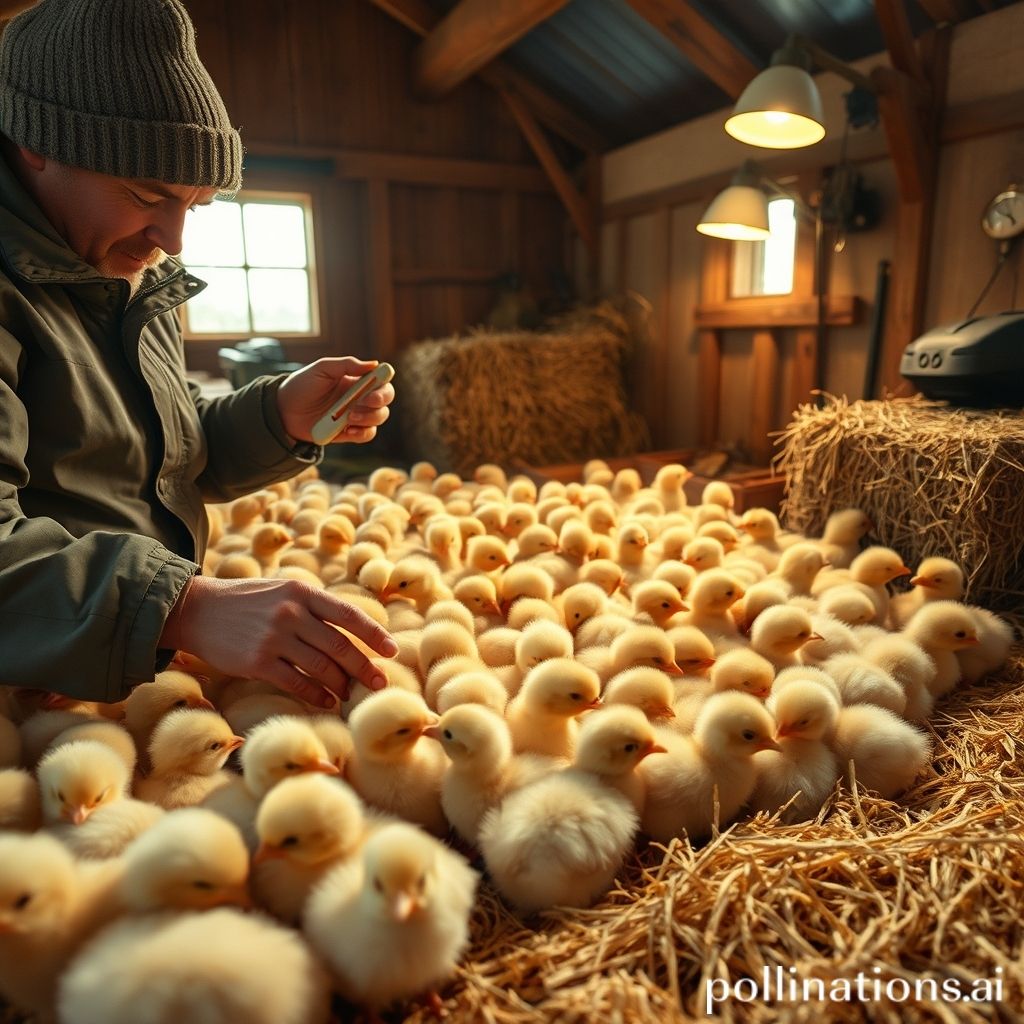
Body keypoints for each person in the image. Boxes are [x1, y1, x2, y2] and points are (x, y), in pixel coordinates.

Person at [0, 0, 397, 710]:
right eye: (146, 195)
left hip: (124, 665)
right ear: (39, 143)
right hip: (36, 693)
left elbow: (157, 460)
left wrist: (276, 417)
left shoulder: (127, 272)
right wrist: (183, 608)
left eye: (196, 204)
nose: (174, 239)